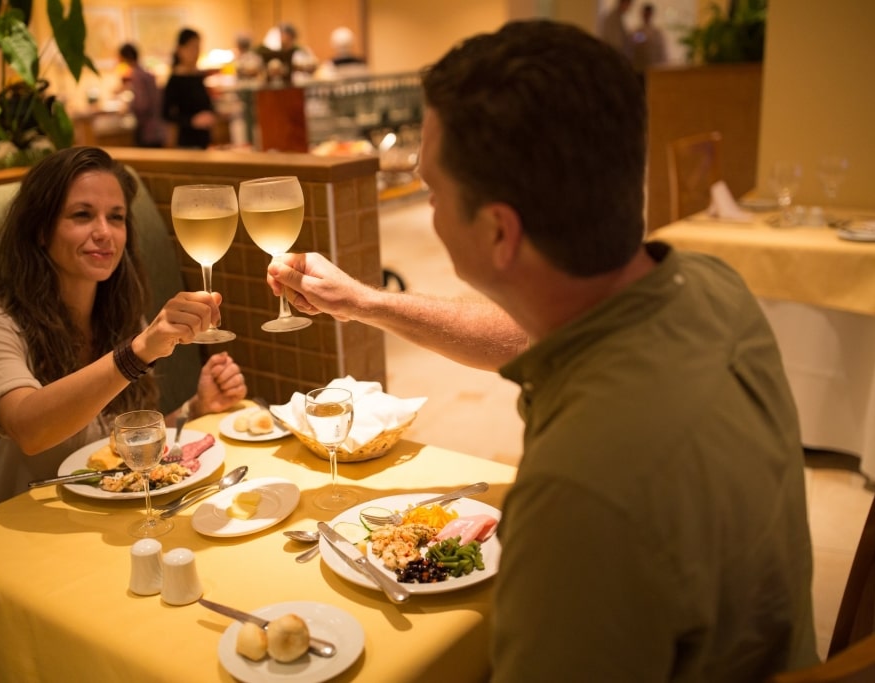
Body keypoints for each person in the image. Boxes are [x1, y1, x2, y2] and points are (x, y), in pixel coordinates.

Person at [269, 20, 818, 681]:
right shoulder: (710, 287)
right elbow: (532, 335)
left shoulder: (578, 494)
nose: (431, 208)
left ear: (500, 231)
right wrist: (367, 300)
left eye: (433, 190)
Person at [0, 146, 247, 513]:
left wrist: (197, 407)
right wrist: (139, 350)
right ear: (40, 231)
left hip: (104, 518)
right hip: (20, 528)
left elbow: (114, 450)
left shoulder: (123, 318)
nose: (104, 233)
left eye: (116, 217)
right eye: (82, 215)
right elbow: (29, 429)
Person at [162, 28, 216, 149]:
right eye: (192, 47)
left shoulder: (198, 75)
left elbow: (207, 104)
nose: (195, 52)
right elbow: (167, 114)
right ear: (180, 49)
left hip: (204, 140)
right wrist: (192, 121)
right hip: (185, 142)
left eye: (197, 47)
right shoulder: (175, 80)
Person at [117, 43, 166, 147]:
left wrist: (128, 108)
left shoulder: (137, 75)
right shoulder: (145, 72)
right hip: (158, 127)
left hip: (148, 129)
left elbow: (142, 104)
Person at [631, 3, 669, 82]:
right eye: (645, 14)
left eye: (648, 14)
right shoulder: (637, 32)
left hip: (654, 69)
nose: (647, 16)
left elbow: (662, 51)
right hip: (640, 69)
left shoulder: (657, 33)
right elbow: (633, 49)